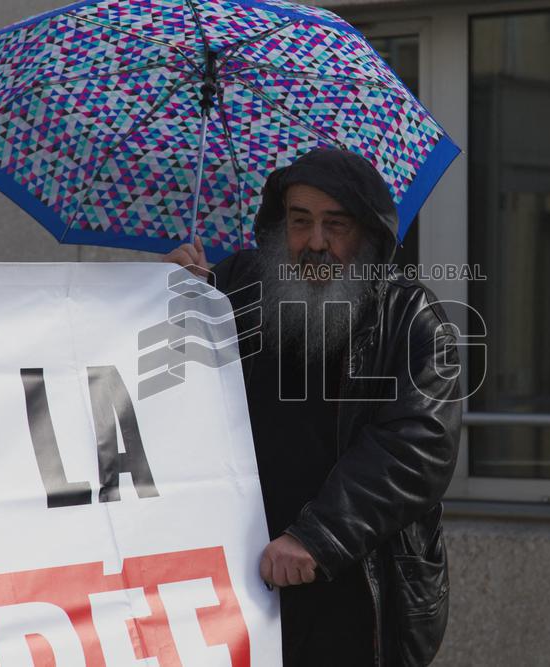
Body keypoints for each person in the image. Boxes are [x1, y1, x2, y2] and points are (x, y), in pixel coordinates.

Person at [164, 147, 462, 666]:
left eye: (335, 224)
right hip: (237, 587)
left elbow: (417, 448)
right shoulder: (236, 284)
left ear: (367, 232)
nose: (316, 242)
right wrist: (171, 297)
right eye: (300, 221)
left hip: (352, 592)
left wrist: (317, 537)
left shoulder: (412, 318)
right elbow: (174, 388)